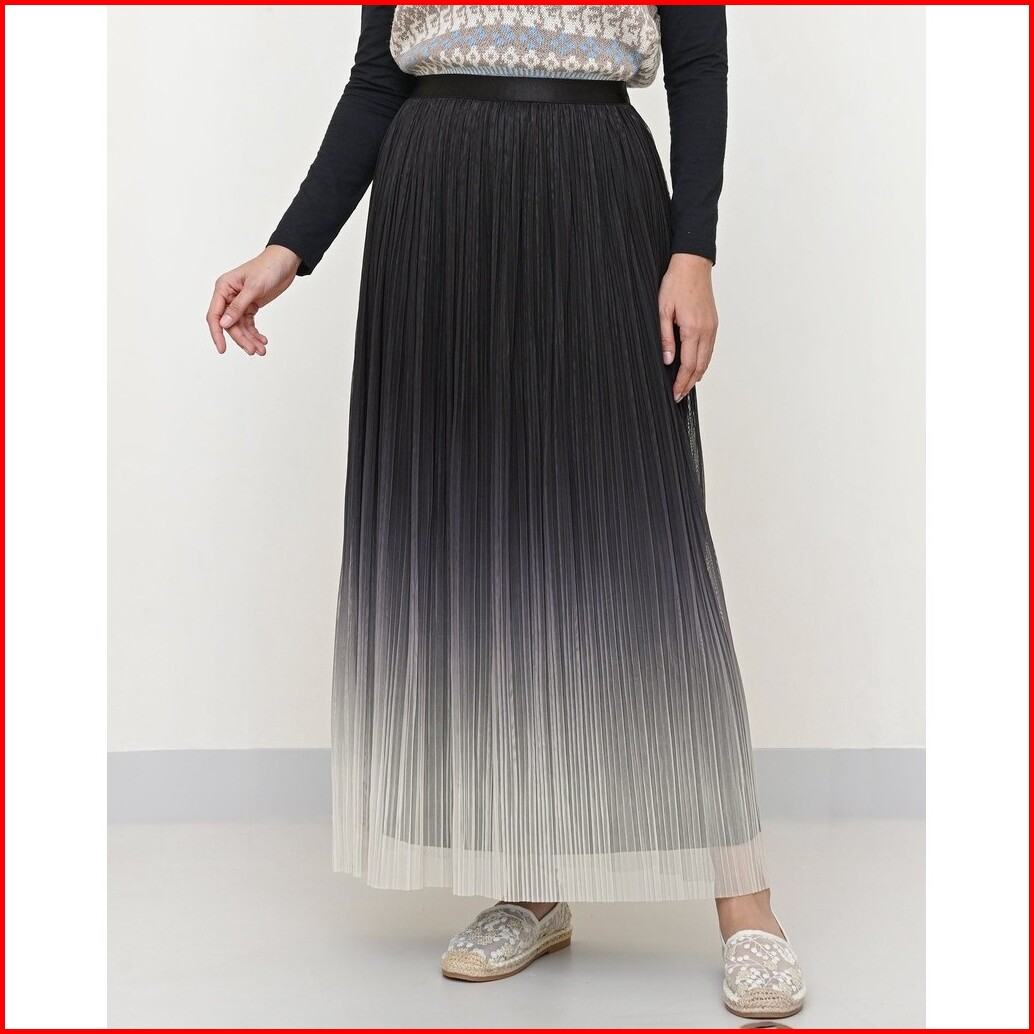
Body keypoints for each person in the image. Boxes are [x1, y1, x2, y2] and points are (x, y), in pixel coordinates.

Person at [206, 4, 807, 1021]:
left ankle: (745, 901)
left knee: (644, 545)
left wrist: (692, 251)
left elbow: (698, 66)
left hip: (594, 191)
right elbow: (377, 77)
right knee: (487, 546)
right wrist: (288, 247)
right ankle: (531, 883)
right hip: (436, 207)